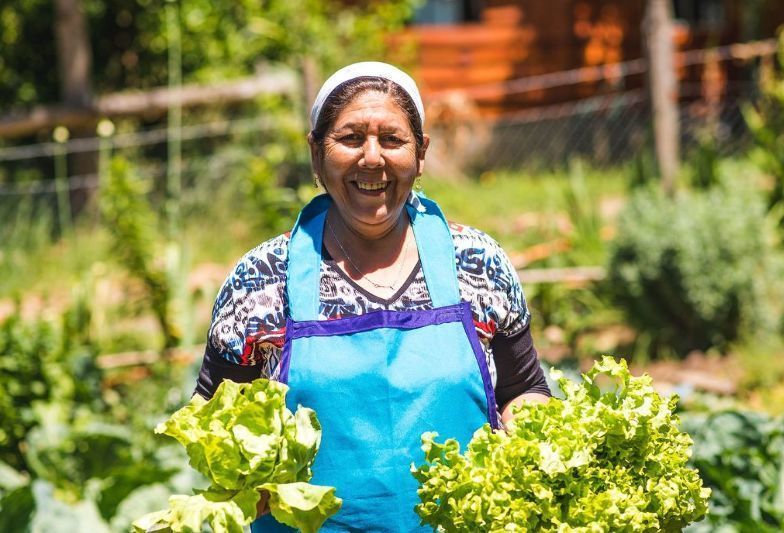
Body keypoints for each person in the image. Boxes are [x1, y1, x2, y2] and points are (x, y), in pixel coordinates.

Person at [195, 61, 551, 532]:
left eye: (391, 139)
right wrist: (241, 477)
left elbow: (523, 388)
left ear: (420, 153)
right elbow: (211, 418)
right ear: (316, 154)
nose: (371, 158)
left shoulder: (477, 263)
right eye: (350, 138)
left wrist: (534, 433)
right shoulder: (261, 279)